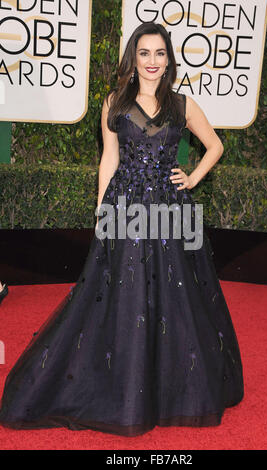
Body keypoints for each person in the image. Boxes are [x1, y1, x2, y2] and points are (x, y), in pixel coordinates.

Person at [0, 22, 244, 437]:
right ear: (134, 58)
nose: (152, 62)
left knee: (177, 298)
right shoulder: (114, 102)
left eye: (160, 54)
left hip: (170, 211)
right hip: (126, 209)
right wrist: (101, 210)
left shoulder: (182, 104)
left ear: (169, 60)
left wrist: (194, 177)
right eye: (144, 53)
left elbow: (215, 145)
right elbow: (108, 159)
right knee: (123, 293)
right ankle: (120, 382)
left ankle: (172, 389)